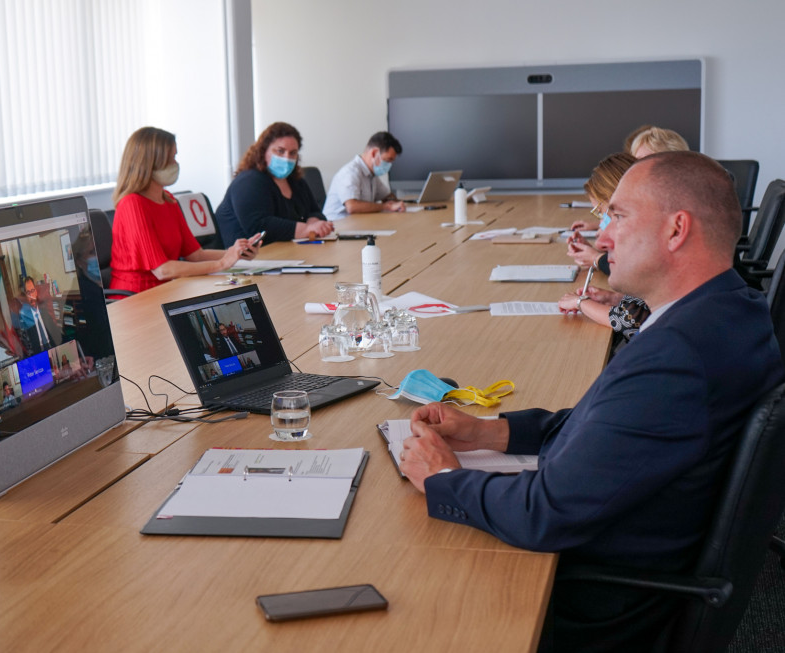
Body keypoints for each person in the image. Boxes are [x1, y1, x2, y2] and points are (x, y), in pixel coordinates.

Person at [400, 151, 784, 651]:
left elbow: (546, 512)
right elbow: (607, 428)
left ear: (676, 230)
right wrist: (488, 431)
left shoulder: (678, 358)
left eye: (618, 217)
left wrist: (443, 478)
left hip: (594, 604)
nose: (603, 238)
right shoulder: (726, 310)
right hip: (632, 548)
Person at [109, 127, 259, 294]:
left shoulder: (168, 199)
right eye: (170, 159)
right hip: (135, 298)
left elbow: (196, 255)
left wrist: (235, 253)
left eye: (175, 157)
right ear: (150, 163)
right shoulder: (132, 204)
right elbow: (163, 270)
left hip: (167, 290)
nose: (176, 164)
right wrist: (222, 263)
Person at [559, 153, 650, 346]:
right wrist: (614, 297)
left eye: (601, 212)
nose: (600, 228)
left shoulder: (647, 244)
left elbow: (633, 321)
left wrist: (580, 303)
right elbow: (648, 303)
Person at [215, 122, 334, 245]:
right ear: (263, 151)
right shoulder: (248, 181)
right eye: (280, 151)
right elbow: (258, 226)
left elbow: (315, 211)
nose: (287, 158)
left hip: (286, 253)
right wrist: (306, 229)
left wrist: (313, 222)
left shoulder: (296, 182)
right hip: (246, 259)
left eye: (293, 153)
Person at [322, 131, 405, 220]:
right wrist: (385, 206)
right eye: (388, 160)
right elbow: (352, 207)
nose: (389, 165)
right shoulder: (350, 172)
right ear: (374, 153)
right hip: (337, 226)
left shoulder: (372, 174)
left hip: (358, 225)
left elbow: (386, 196)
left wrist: (393, 202)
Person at [14, 276, 61, 356]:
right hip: (38, 355)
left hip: (52, 350)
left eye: (32, 291)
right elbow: (27, 349)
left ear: (36, 292)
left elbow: (56, 336)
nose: (31, 295)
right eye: (28, 293)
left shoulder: (44, 312)